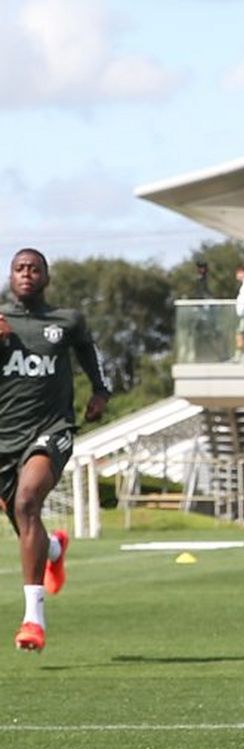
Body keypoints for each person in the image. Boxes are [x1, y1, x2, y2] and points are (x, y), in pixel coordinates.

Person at [0, 248, 111, 652]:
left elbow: (89, 351)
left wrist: (101, 391)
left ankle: (33, 620)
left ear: (46, 277)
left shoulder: (67, 320)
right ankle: (53, 548)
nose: (26, 274)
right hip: (4, 438)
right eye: (19, 268)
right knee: (22, 518)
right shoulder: (0, 322)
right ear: (11, 276)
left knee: (28, 502)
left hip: (53, 427)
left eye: (34, 268)